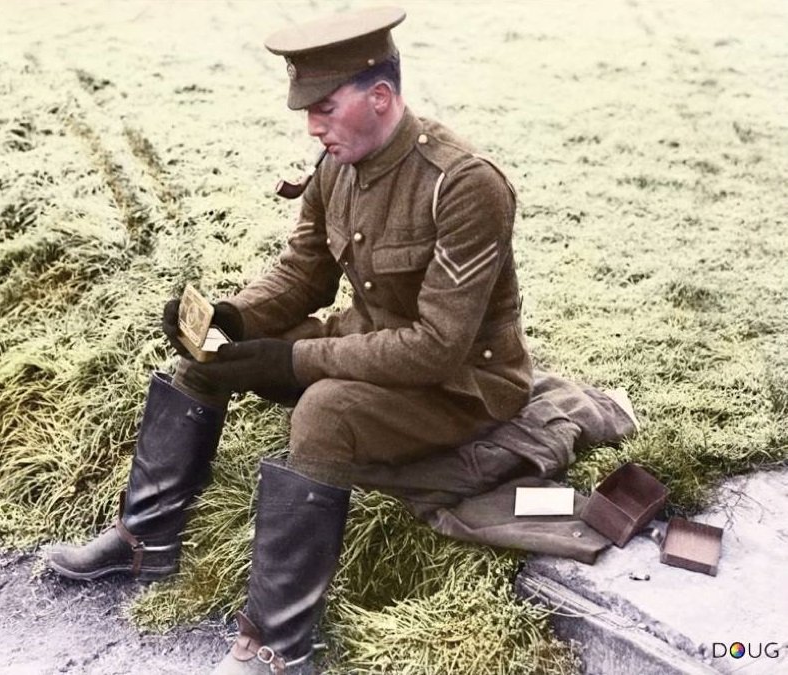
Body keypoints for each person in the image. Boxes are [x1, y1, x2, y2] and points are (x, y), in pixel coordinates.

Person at [47, 7, 574, 674]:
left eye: (325, 106)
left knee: (323, 407)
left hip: (461, 386)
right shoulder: (337, 164)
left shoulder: (464, 185)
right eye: (307, 109)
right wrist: (231, 320)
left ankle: (276, 644)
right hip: (371, 347)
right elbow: (302, 273)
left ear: (379, 97)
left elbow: (436, 347)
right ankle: (143, 540)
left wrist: (293, 358)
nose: (312, 124)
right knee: (210, 359)